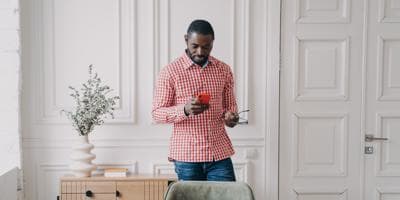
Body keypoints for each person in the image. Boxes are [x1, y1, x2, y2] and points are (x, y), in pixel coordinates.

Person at [152, 19, 239, 181]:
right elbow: (157, 113)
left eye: (206, 47)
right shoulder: (170, 72)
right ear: (186, 40)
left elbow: (231, 109)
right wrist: (184, 110)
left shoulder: (224, 70)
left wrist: (231, 118)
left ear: (212, 43)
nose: (200, 51)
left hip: (219, 155)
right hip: (187, 157)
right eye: (195, 46)